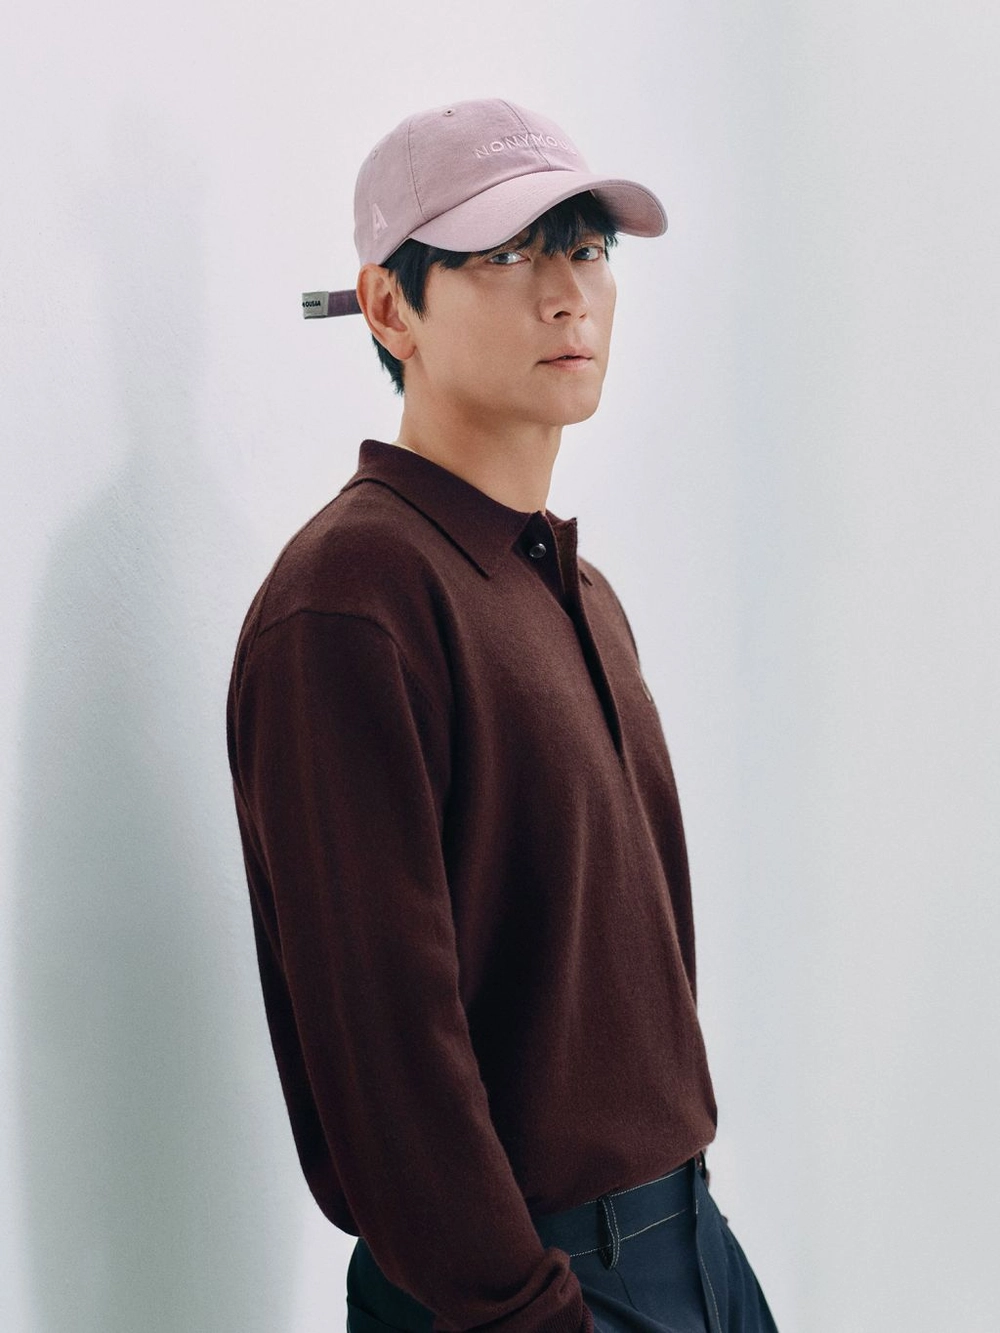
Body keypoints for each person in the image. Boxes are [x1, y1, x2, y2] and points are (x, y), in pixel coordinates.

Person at [225, 98, 779, 1333]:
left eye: (585, 248)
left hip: (687, 1247)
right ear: (388, 307)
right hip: (523, 1291)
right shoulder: (352, 600)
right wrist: (522, 1308)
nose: (567, 294)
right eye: (508, 255)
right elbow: (385, 1042)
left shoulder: (573, 589)